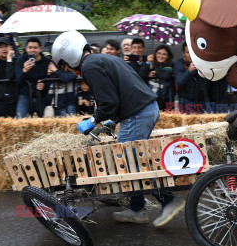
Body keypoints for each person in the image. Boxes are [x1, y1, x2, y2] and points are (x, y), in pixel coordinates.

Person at [51, 30, 185, 227]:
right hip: (144, 109)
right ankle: (137, 209)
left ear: (69, 58)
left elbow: (108, 102)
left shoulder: (89, 67)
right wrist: (113, 120)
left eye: (64, 66)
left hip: (138, 113)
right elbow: (121, 90)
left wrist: (93, 120)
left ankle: (168, 200)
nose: (68, 71)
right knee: (131, 161)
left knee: (130, 164)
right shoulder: (102, 59)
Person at [15, 37, 51, 118]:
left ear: (40, 49)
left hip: (41, 96)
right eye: (30, 47)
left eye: (35, 48)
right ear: (26, 48)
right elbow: (18, 79)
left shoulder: (47, 61)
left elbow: (50, 80)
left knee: (44, 122)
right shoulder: (21, 60)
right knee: (20, 120)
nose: (32, 50)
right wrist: (24, 70)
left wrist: (44, 85)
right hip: (25, 95)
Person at [174, 42, 208, 113]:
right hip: (186, 100)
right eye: (188, 52)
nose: (191, 55)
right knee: (187, 123)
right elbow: (179, 82)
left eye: (193, 52)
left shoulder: (202, 62)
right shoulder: (179, 63)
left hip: (201, 100)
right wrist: (189, 70)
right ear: (183, 53)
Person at [139, 45, 174, 110]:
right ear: (155, 54)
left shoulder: (170, 65)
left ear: (168, 56)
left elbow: (166, 75)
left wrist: (155, 72)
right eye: (159, 53)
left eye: (164, 54)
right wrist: (148, 62)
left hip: (165, 99)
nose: (161, 56)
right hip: (151, 99)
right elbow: (141, 74)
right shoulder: (151, 64)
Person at [0, 37, 18, 117]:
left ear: (11, 48)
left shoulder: (16, 61)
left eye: (6, 46)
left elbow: (10, 76)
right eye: (0, 47)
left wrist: (9, 59)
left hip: (13, 99)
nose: (4, 49)